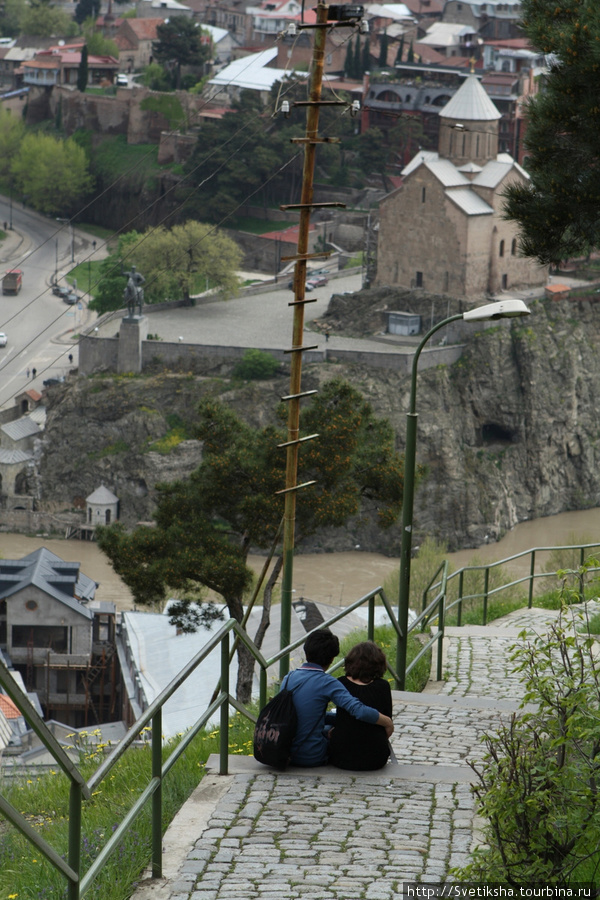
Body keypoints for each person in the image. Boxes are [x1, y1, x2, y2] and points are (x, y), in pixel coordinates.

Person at [284, 629, 393, 767]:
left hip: (285, 751)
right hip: (312, 756)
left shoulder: (288, 678)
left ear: (306, 652)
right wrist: (387, 722)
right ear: (331, 659)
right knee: (329, 727)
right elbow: (359, 711)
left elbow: (304, 712)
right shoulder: (328, 682)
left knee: (329, 725)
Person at [328, 641, 393, 771]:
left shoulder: (341, 683)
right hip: (376, 758)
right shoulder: (383, 686)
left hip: (341, 757)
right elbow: (387, 724)